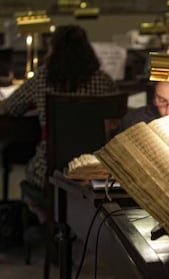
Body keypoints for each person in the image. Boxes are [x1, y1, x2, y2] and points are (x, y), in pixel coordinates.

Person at [1, 25, 117, 222]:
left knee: (27, 162)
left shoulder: (43, 78)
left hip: (51, 168)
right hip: (94, 169)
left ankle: (48, 220)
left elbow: (11, 107)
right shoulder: (103, 80)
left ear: (53, 49)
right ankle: (77, 222)